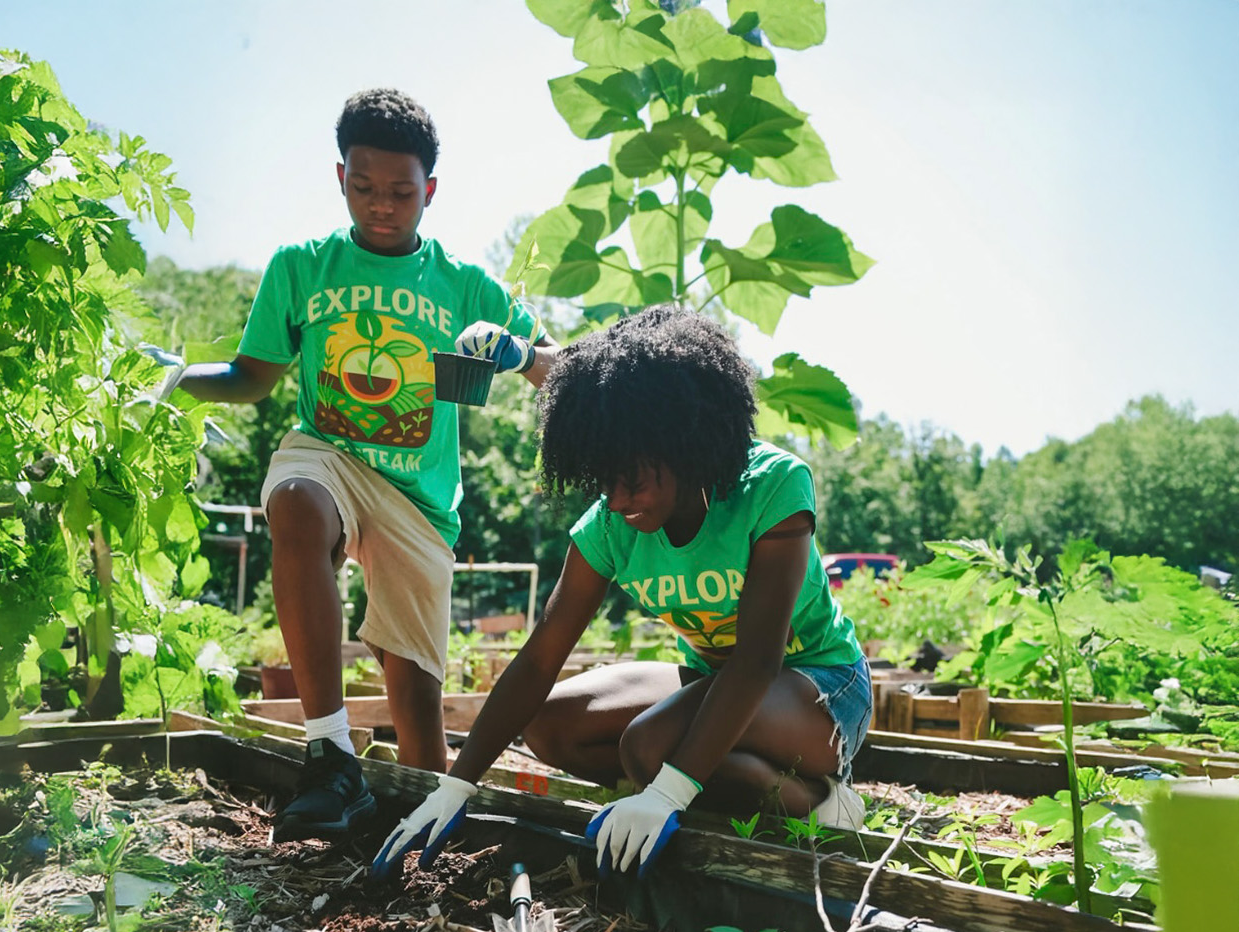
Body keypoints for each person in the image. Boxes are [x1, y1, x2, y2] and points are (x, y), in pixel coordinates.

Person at [159, 87, 558, 842]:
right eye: (364, 187)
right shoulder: (303, 269)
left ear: (430, 191)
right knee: (297, 503)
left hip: (421, 499)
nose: (383, 205)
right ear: (339, 177)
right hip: (329, 451)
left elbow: (561, 369)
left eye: (402, 192)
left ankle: (411, 832)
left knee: (417, 714)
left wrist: (518, 352)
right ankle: (330, 754)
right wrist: (174, 380)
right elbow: (252, 378)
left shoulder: (464, 283)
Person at [372, 304, 871, 879]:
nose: (617, 497)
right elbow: (539, 660)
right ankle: (712, 781)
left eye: (632, 475)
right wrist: (455, 786)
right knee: (552, 724)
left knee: (649, 748)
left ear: (684, 444)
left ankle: (822, 803)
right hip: (716, 684)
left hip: (823, 690)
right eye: (603, 479)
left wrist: (666, 791)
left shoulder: (772, 487)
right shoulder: (610, 525)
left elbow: (759, 659)